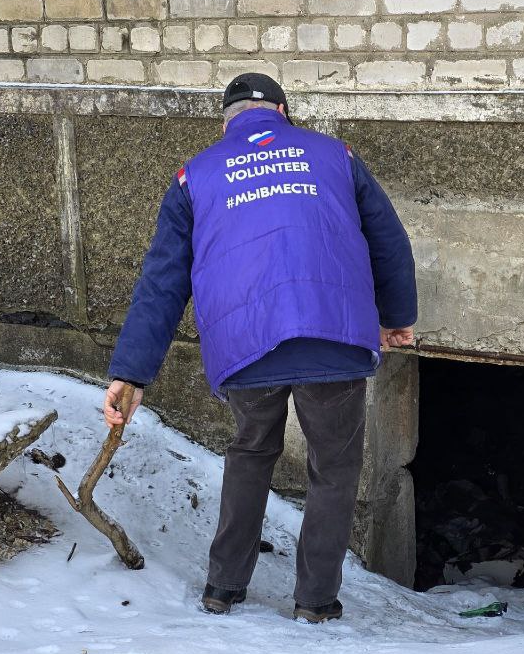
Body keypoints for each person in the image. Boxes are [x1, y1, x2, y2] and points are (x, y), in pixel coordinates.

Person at [103, 73, 417, 623]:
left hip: (246, 347)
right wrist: (395, 319)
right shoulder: (334, 154)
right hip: (333, 336)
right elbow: (387, 239)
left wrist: (132, 373)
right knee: (334, 469)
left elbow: (163, 281)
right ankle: (315, 601)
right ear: (283, 110)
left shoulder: (194, 176)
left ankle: (222, 588)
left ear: (224, 121)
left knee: (249, 455)